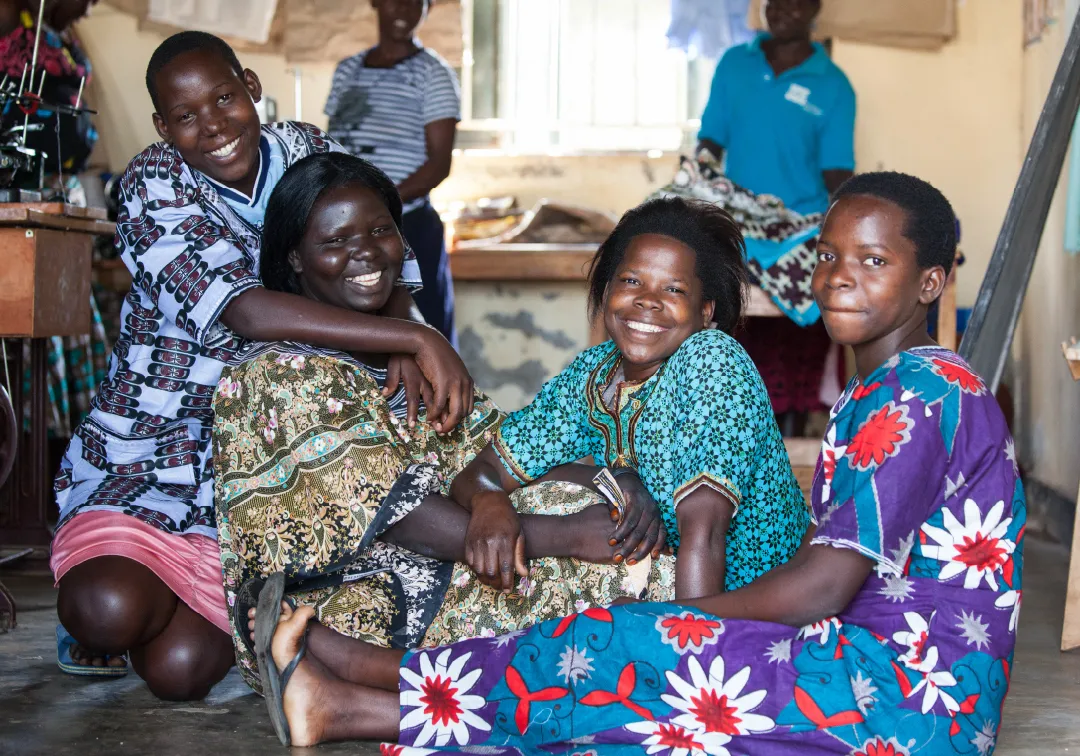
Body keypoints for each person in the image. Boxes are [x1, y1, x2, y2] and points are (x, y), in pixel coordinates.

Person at [254, 172, 1026, 755]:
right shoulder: (884, 390)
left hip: (912, 700)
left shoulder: (922, 393)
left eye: (873, 259)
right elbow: (495, 471)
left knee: (619, 652)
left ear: (930, 282)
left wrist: (677, 626)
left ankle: (366, 685)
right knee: (609, 655)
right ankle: (353, 696)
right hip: (865, 666)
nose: (838, 275)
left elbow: (822, 584)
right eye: (827, 255)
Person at [49, 31, 473, 701]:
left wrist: (404, 333)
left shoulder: (306, 150)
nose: (212, 125)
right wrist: (412, 338)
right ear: (163, 127)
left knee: (181, 673)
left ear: (251, 86)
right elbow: (242, 312)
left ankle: (172, 607)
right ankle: (107, 580)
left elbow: (381, 250)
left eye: (223, 97)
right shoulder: (153, 182)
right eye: (185, 116)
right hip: (155, 446)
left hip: (258, 458)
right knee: (107, 610)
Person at [214, 152, 684, 692]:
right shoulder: (274, 374)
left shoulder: (402, 352)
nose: (364, 252)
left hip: (444, 558)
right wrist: (570, 534)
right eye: (334, 242)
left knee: (646, 544)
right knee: (649, 592)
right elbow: (399, 516)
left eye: (379, 230)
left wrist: (621, 483)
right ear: (295, 258)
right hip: (365, 596)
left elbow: (499, 451)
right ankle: (321, 659)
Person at [698, 0, 856, 435]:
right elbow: (710, 138)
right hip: (739, 222)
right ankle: (731, 424)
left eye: (796, 1)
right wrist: (699, 173)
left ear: (815, 8)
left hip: (799, 225)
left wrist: (848, 221)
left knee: (812, 291)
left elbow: (838, 171)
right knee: (722, 300)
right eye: (774, 0)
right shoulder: (735, 64)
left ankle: (790, 427)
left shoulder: (834, 86)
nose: (783, 9)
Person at [325, 0, 459, 346]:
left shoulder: (434, 74)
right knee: (352, 334)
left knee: (424, 336)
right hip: (344, 225)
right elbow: (330, 149)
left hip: (408, 226)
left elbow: (439, 164)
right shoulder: (348, 70)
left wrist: (377, 209)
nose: (404, 8)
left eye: (418, 1)